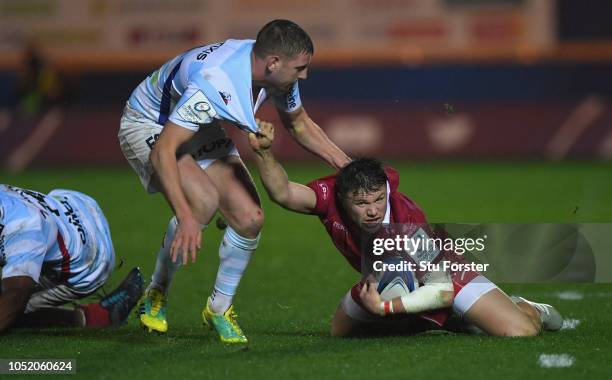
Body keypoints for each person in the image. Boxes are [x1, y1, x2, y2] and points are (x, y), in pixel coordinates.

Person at [118, 19, 349, 343]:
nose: (304, 76)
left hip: (198, 122)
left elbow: (298, 123)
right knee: (202, 203)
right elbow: (164, 151)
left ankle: (218, 308)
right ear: (273, 63)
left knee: (250, 219)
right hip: (151, 124)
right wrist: (185, 215)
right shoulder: (217, 80)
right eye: (300, 69)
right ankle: (156, 293)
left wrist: (348, 168)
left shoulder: (273, 70)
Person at [248, 120, 563, 337]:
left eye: (378, 200)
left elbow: (441, 289)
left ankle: (526, 306)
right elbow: (283, 193)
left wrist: (384, 306)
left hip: (443, 272)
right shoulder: (330, 197)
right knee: (340, 333)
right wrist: (263, 153)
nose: (372, 210)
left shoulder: (407, 221)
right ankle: (435, 319)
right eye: (361, 204)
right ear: (343, 199)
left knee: (520, 331)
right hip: (389, 276)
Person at [0, 185, 143, 333]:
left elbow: (16, 294)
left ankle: (101, 316)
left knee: (12, 306)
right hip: (76, 204)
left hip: (91, 260)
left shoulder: (23, 230)